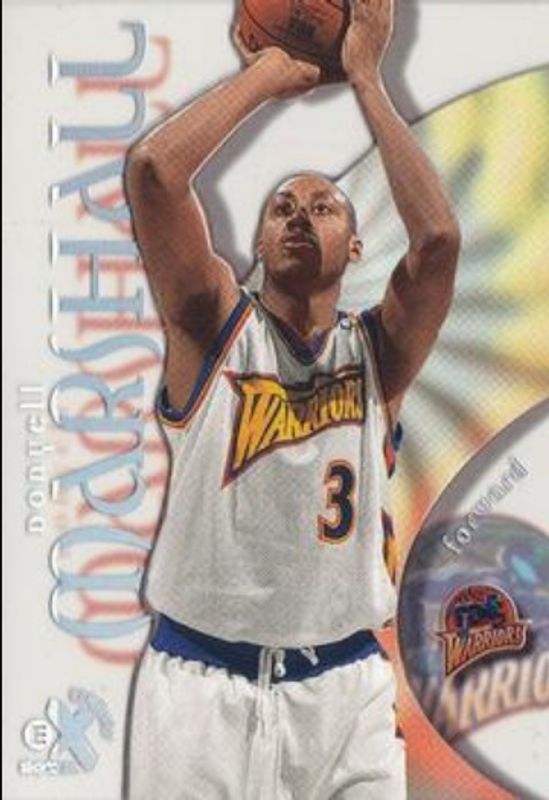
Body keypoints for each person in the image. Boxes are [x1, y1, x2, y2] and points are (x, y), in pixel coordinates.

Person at [124, 0, 460, 797]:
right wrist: (271, 74)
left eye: (323, 206)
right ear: (257, 246)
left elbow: (438, 241)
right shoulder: (211, 328)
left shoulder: (377, 353)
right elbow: (154, 173)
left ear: (356, 246)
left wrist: (367, 79)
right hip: (201, 688)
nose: (300, 216)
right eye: (282, 208)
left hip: (343, 695)